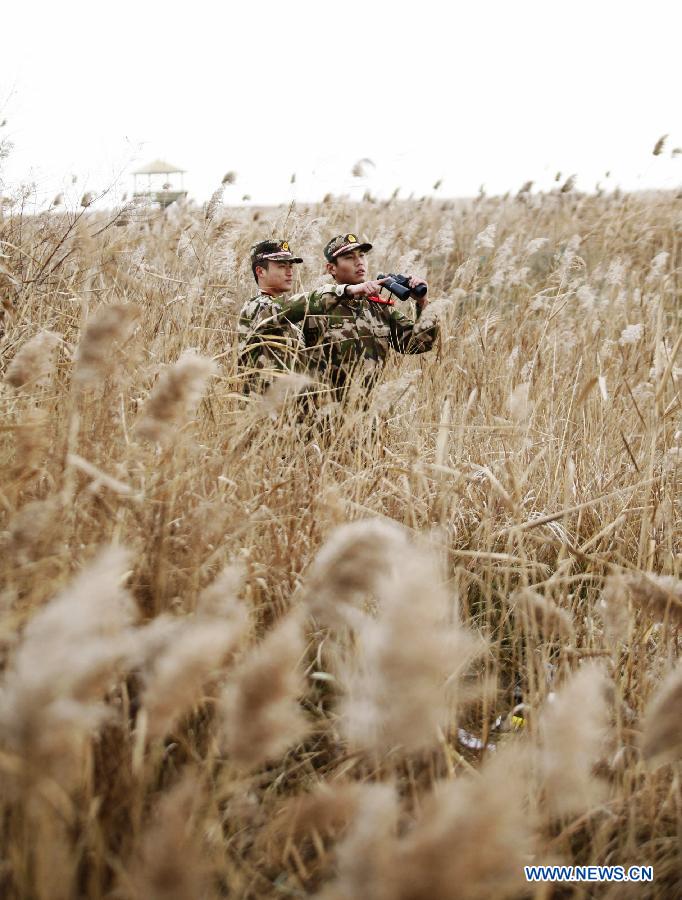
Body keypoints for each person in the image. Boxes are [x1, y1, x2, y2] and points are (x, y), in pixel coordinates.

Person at [237, 239, 362, 395]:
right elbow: (292, 306)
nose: (289, 272)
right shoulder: (256, 307)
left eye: (290, 266)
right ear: (260, 272)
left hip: (287, 410)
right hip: (262, 409)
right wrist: (344, 291)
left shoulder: (292, 320)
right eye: (282, 266)